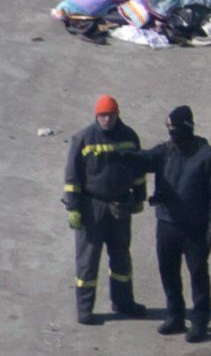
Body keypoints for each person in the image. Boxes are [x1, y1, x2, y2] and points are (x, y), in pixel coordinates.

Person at [142, 106, 211, 342]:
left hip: (196, 229)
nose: (172, 133)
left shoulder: (208, 156)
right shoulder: (165, 152)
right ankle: (176, 316)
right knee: (168, 271)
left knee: (198, 274)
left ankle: (200, 321)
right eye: (168, 128)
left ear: (187, 127)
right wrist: (119, 155)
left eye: (175, 128)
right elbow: (143, 160)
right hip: (167, 224)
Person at [63, 95, 150, 324]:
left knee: (121, 258)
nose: (107, 119)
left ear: (117, 114)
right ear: (96, 116)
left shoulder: (130, 137)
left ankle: (123, 302)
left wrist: (139, 197)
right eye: (103, 115)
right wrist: (73, 206)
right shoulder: (84, 138)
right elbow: (72, 176)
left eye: (110, 115)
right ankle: (85, 309)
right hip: (92, 208)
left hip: (120, 206)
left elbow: (138, 170)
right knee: (88, 261)